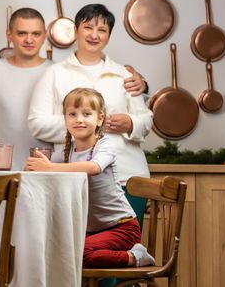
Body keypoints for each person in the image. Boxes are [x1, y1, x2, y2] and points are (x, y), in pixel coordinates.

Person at [0, 7, 146, 171]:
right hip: (11, 168)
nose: (29, 40)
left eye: (36, 34)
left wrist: (141, 83)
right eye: (21, 33)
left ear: (44, 36)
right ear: (9, 35)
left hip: (59, 169)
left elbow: (99, 98)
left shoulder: (57, 71)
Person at [28, 4, 152, 225]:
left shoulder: (124, 75)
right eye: (88, 28)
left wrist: (130, 122)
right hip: (73, 175)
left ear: (108, 37)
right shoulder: (54, 74)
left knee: (125, 247)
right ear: (76, 31)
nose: (94, 35)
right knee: (78, 248)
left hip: (127, 174)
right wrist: (87, 125)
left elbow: (146, 120)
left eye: (102, 30)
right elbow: (37, 123)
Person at [26, 88, 154, 269]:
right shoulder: (66, 153)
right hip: (92, 231)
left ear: (100, 119)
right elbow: (44, 167)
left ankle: (135, 256)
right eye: (72, 114)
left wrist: (49, 167)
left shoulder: (105, 145)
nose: (79, 119)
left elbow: (94, 167)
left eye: (86, 114)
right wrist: (34, 166)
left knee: (80, 255)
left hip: (122, 227)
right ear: (65, 119)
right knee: (57, 252)